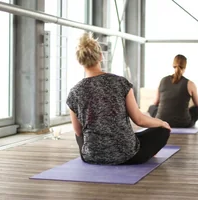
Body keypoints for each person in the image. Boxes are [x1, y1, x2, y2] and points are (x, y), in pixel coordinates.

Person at [66, 33, 171, 165]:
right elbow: (139, 120)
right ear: (101, 56)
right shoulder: (120, 82)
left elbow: (78, 131)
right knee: (162, 130)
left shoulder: (74, 92)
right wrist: (161, 123)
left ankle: (96, 151)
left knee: (82, 132)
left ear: (79, 60)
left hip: (91, 156)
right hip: (128, 155)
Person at [148, 54, 198, 128]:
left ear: (173, 65)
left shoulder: (163, 80)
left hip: (162, 121)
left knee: (151, 107)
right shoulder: (190, 84)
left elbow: (155, 102)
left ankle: (161, 119)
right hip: (183, 123)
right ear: (185, 66)